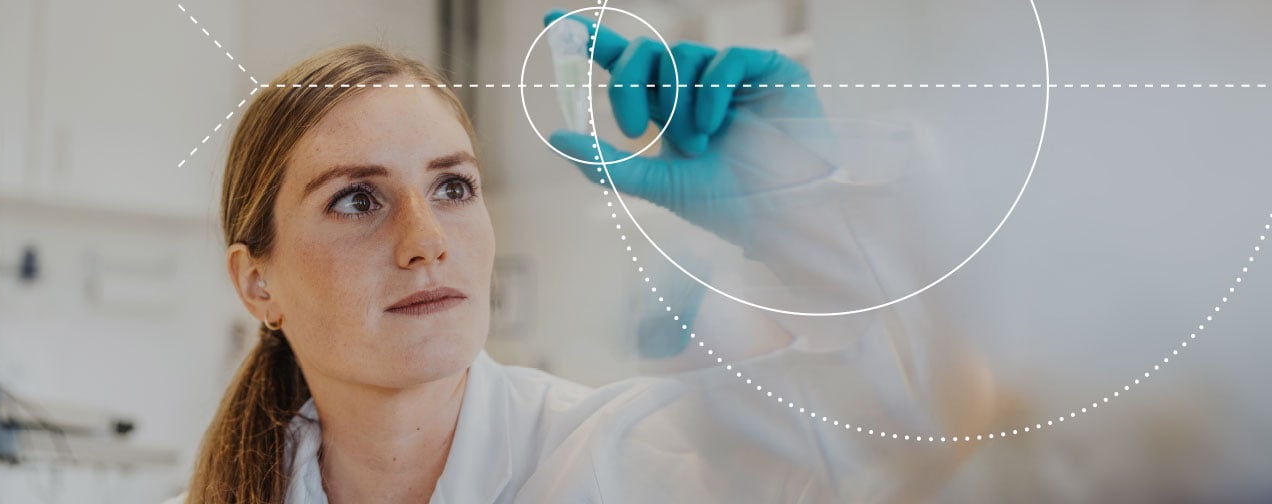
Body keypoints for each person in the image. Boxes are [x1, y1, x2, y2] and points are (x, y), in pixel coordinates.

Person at [177, 13, 996, 503]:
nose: (426, 238)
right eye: (357, 199)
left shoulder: (632, 460)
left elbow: (926, 433)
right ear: (257, 283)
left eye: (454, 187)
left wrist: (807, 214)